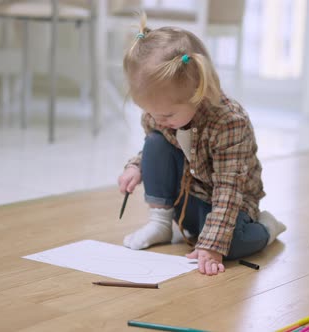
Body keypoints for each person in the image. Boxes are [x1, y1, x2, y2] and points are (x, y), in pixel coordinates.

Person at [117, 13, 286, 276]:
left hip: (231, 203)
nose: (158, 119)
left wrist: (213, 245)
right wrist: (137, 167)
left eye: (167, 115)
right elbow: (154, 149)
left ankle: (266, 228)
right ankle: (160, 222)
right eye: (151, 112)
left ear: (199, 92)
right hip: (189, 194)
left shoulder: (229, 122)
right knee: (155, 141)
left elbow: (228, 190)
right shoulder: (162, 113)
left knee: (230, 244)